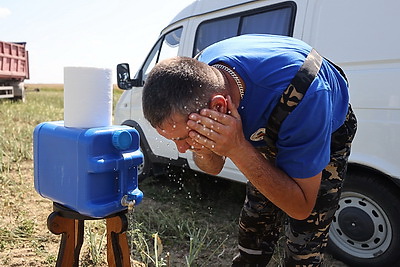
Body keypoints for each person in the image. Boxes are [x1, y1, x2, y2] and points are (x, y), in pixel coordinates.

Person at [142, 34, 357, 266]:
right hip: (271, 112)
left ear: (218, 107)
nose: (182, 149)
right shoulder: (198, 79)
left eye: (185, 138)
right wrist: (215, 148)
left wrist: (238, 149)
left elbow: (301, 207)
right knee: (256, 220)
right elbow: (213, 167)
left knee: (304, 242)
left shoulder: (306, 96)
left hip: (320, 120)